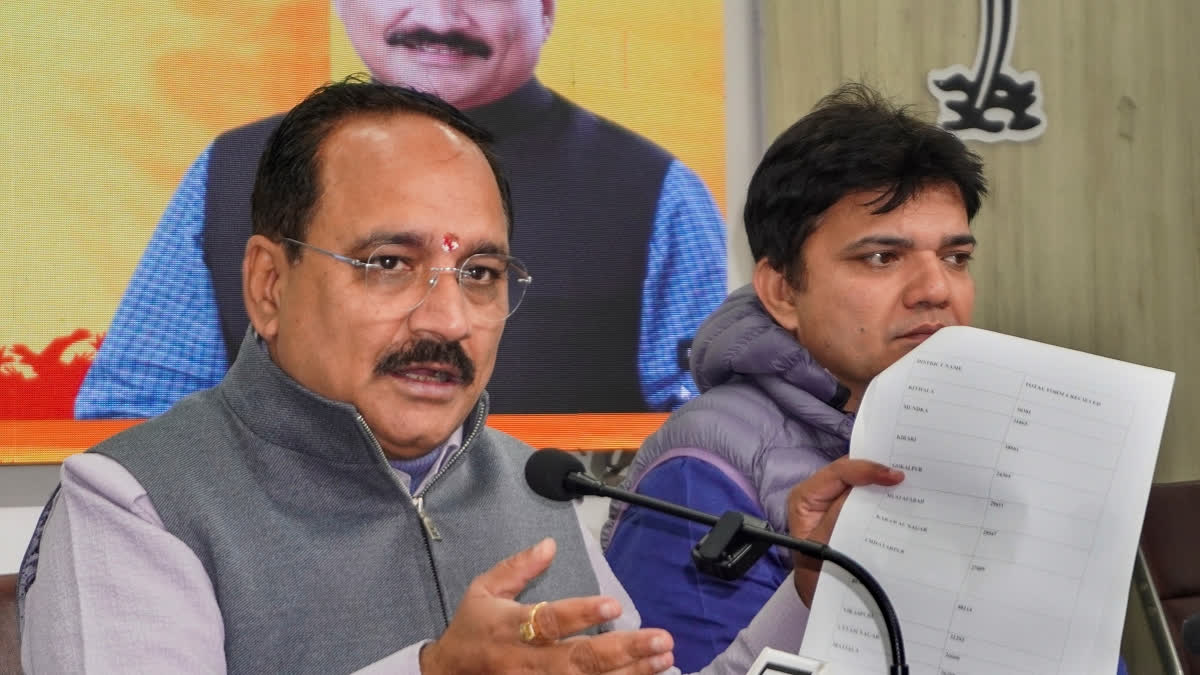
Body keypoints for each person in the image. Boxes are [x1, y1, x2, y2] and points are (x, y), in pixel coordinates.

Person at [18, 79, 805, 674]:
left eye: (482, 272)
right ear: (267, 284)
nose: (448, 320)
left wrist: (808, 592)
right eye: (389, 264)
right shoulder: (136, 502)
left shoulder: (536, 488)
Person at [604, 83, 1130, 675]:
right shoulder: (699, 473)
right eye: (882, 257)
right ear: (782, 290)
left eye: (956, 258)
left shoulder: (1002, 442)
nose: (936, 289)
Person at [74, 0, 726, 418]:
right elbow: (133, 431)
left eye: (480, 273)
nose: (440, 14)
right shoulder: (233, 171)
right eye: (385, 262)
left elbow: (697, 452)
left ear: (548, 10)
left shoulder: (658, 192)